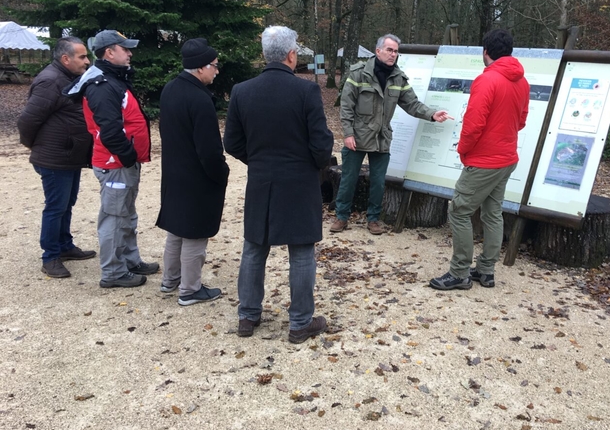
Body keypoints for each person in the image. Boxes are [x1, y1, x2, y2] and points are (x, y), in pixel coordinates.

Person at [224, 25, 333, 343]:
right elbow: (321, 146)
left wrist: (258, 161)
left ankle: (248, 315)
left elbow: (232, 142)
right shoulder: (306, 91)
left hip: (262, 181)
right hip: (299, 183)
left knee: (254, 248)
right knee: (300, 252)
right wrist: (310, 165)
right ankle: (299, 323)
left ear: (264, 54)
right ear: (291, 54)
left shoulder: (242, 91)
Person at [429, 29, 530, 290]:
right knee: (493, 212)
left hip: (485, 160)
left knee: (459, 210)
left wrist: (464, 150)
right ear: (509, 51)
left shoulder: (487, 81)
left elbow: (473, 124)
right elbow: (521, 121)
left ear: (485, 51)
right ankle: (486, 270)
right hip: (507, 157)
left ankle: (460, 272)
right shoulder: (522, 82)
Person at [331, 34, 451, 235]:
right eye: (389, 50)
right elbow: (346, 106)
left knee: (378, 181)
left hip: (381, 137)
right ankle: (341, 216)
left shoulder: (398, 78)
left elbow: (412, 104)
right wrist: (348, 133)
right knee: (349, 179)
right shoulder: (359, 74)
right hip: (358, 136)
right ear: (378, 51)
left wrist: (431, 114)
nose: (393, 54)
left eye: (396, 51)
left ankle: (373, 219)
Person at [66, 30, 159, 288]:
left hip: (121, 161)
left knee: (126, 213)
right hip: (115, 163)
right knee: (115, 217)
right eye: (125, 49)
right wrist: (128, 156)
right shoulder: (103, 85)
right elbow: (109, 130)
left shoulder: (113, 80)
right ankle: (113, 272)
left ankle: (129, 260)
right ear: (109, 52)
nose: (129, 53)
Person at [156, 38, 229, 306]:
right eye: (214, 65)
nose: (216, 70)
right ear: (200, 68)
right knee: (196, 233)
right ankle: (189, 289)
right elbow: (209, 150)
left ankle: (170, 280)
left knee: (176, 229)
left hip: (174, 171)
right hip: (196, 177)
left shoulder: (170, 89)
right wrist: (221, 173)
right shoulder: (200, 99)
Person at [17, 37, 97, 278]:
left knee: (67, 203)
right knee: (55, 207)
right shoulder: (50, 81)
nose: (87, 61)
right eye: (82, 57)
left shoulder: (69, 78)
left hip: (69, 155)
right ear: (66, 59)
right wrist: (36, 146)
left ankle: (64, 245)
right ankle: (50, 256)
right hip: (54, 157)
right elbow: (27, 120)